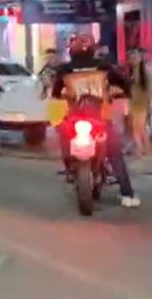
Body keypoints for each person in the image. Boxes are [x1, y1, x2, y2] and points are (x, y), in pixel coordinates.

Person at [52, 35, 139, 208]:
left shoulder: (66, 68)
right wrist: (124, 93)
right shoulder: (103, 66)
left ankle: (70, 168)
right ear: (92, 49)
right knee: (114, 153)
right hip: (99, 117)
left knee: (64, 137)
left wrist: (60, 96)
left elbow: (56, 91)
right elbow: (122, 83)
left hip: (75, 117)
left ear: (71, 50)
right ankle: (127, 193)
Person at [128, 48, 150, 156]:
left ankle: (141, 150)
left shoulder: (144, 71)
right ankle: (146, 148)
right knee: (141, 128)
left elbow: (148, 89)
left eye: (134, 56)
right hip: (136, 103)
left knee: (137, 129)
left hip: (141, 104)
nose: (132, 59)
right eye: (131, 57)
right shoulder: (134, 71)